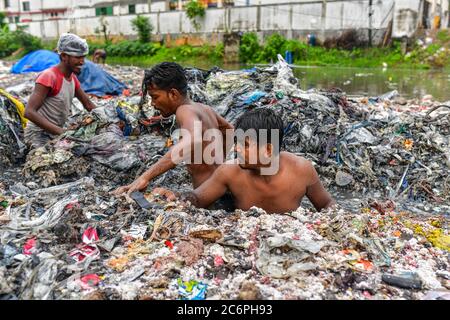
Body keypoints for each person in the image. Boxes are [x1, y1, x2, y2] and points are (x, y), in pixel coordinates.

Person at [154, 108, 336, 214]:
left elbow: (327, 205)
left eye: (245, 144)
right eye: (237, 142)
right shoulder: (230, 172)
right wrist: (177, 197)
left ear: (268, 149)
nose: (237, 149)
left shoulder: (301, 170)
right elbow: (198, 198)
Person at [113, 62, 234, 196]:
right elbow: (229, 129)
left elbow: (193, 140)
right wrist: (219, 162)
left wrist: (145, 177)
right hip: (220, 192)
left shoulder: (184, 110)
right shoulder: (204, 109)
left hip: (209, 199)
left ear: (173, 94)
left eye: (155, 97)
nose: (153, 104)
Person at [24, 33, 96, 149]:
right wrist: (62, 132)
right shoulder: (48, 77)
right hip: (38, 134)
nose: (82, 62)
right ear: (64, 56)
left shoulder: (72, 78)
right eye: (77, 57)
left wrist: (107, 119)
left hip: (57, 132)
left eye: (83, 57)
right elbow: (29, 112)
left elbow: (88, 104)